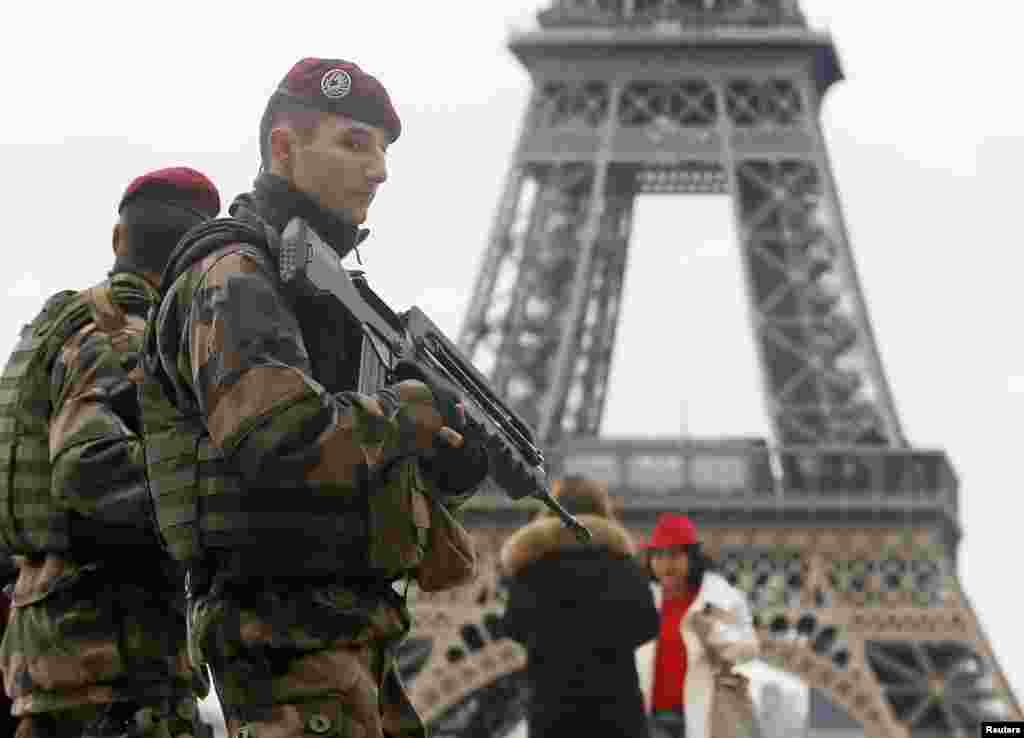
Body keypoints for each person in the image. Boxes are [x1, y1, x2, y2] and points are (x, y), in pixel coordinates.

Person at [139, 58, 489, 738]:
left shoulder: (318, 287)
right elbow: (276, 439)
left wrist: (446, 456)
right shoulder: (237, 271)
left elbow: (346, 455)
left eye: (384, 150)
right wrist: (405, 416)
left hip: (339, 625)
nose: (380, 169)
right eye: (354, 143)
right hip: (284, 630)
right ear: (283, 147)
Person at [0, 167, 221, 737]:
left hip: (56, 655)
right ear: (194, 263)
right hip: (113, 668)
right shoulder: (128, 337)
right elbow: (89, 470)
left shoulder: (61, 327)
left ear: (119, 240)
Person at [500, 476, 659, 738]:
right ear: (602, 511)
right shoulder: (623, 565)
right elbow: (647, 625)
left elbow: (514, 626)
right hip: (616, 706)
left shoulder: (532, 567)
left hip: (551, 707)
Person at [636, 513, 760, 738]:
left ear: (691, 558)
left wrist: (713, 632)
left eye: (674, 555)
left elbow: (749, 649)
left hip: (704, 713)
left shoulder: (719, 599)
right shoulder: (641, 600)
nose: (665, 564)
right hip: (650, 718)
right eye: (658, 555)